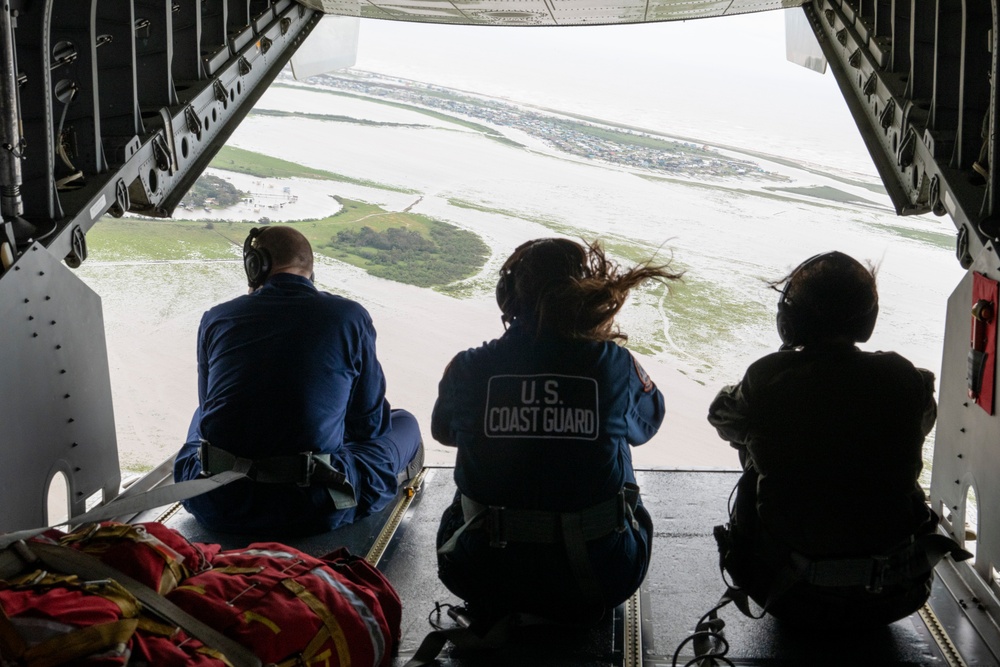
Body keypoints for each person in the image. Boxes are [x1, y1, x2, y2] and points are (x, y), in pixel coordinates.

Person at [707, 251, 968, 629]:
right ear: (868, 319)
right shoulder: (906, 378)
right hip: (899, 593)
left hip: (788, 594)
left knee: (752, 447)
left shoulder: (767, 379)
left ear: (789, 320)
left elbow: (722, 417)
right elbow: (922, 423)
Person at [432, 237, 682, 624]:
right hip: (599, 579)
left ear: (506, 297)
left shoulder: (468, 366)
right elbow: (647, 424)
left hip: (478, 574)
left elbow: (444, 433)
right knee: (618, 447)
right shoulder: (614, 363)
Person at [174, 225, 423, 536]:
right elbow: (370, 427)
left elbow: (209, 411)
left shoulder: (216, 318)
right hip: (312, 505)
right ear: (310, 270)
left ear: (255, 266)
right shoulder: (349, 317)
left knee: (202, 415)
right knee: (405, 423)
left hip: (218, 501)